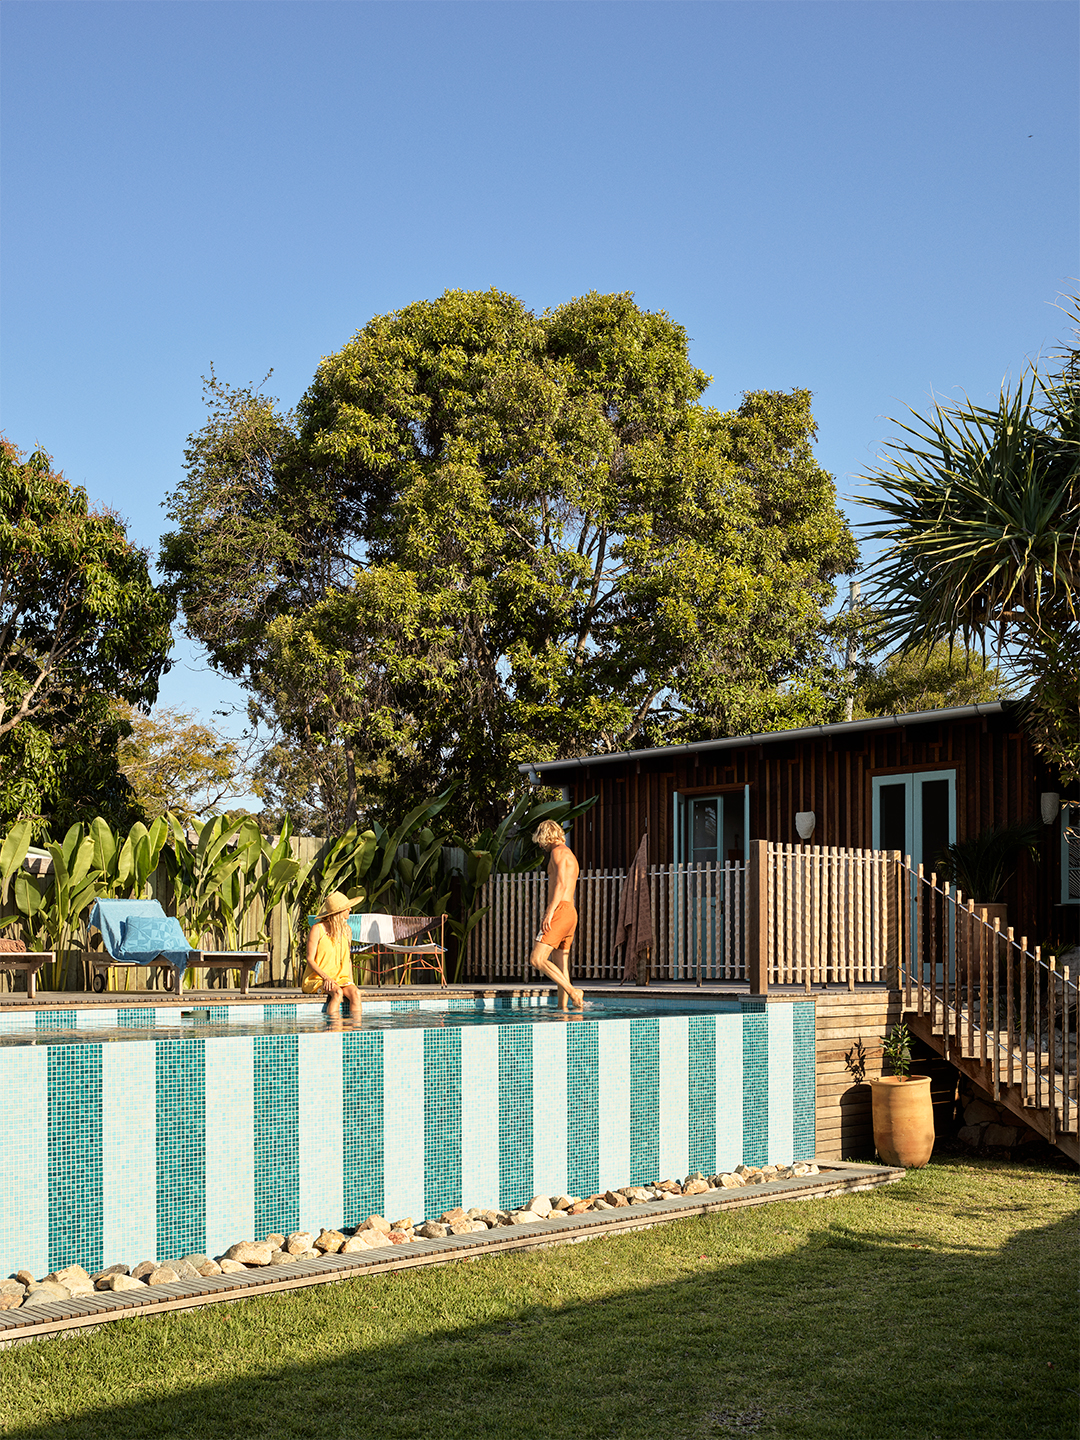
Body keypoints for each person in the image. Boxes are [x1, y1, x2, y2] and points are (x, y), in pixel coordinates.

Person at [528, 820, 584, 1009]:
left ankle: (573, 991)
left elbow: (560, 884)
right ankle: (564, 1009)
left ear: (545, 836)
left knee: (537, 959)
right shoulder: (571, 855)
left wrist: (548, 913)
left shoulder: (557, 852)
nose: (541, 845)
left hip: (559, 911)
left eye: (541, 840)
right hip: (571, 913)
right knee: (561, 967)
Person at [302, 891, 363, 1020]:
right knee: (337, 993)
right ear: (339, 912)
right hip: (317, 979)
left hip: (341, 978)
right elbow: (310, 959)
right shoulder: (317, 929)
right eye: (347, 908)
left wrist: (351, 982)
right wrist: (326, 978)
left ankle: (356, 1034)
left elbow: (348, 960)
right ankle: (333, 1029)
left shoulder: (347, 931)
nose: (350, 909)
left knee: (356, 993)